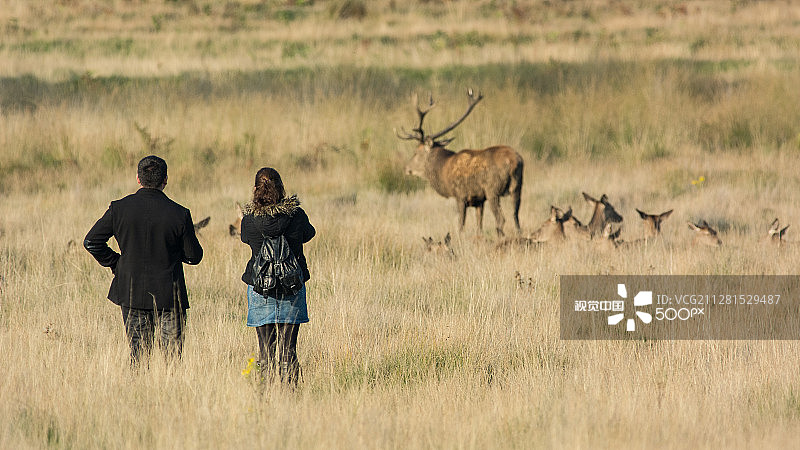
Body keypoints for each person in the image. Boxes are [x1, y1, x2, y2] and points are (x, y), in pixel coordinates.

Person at [84, 155, 203, 366]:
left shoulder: (119, 208)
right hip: (169, 295)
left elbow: (91, 241)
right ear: (165, 180)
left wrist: (117, 263)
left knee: (138, 356)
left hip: (131, 291)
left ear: (138, 179)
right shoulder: (179, 213)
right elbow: (194, 256)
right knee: (172, 361)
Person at [240, 167, 315, 385]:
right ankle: (289, 397)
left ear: (255, 190)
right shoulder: (296, 215)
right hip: (291, 286)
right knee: (289, 350)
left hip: (260, 288)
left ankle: (264, 396)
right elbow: (309, 234)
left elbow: (245, 238)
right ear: (281, 189)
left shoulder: (249, 219)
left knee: (265, 350)